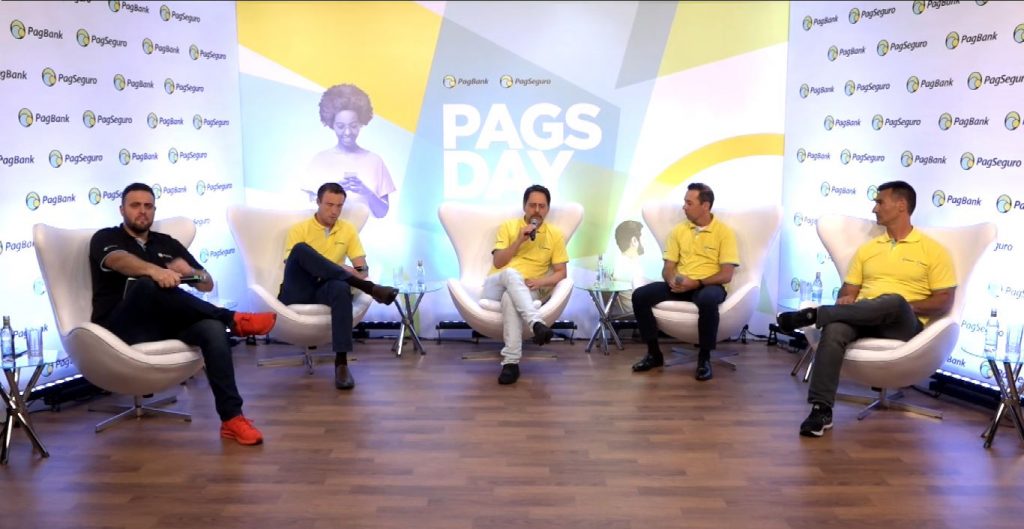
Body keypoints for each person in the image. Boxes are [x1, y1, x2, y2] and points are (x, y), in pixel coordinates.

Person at [90, 183, 277, 446]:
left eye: (148, 206)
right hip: (121, 328)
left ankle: (232, 418)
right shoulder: (106, 238)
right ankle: (232, 319)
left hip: (164, 325)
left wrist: (191, 272)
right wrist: (156, 271)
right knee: (146, 284)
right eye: (135, 205)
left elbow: (206, 283)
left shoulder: (167, 243)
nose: (142, 211)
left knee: (212, 329)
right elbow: (119, 261)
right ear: (122, 210)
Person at [777, 180, 956, 437]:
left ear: (901, 205)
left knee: (894, 301)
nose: (874, 209)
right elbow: (848, 290)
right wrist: (846, 298)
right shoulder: (868, 250)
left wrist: (907, 307)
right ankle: (820, 410)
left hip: (904, 323)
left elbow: (944, 300)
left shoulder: (933, 250)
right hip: (863, 316)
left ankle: (815, 315)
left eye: (880, 202)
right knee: (835, 329)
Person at [279, 182, 399, 390]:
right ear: (318, 202)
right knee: (300, 249)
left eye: (339, 206)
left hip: (325, 289)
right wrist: (337, 267)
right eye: (329, 205)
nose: (334, 211)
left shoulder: (347, 230)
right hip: (299, 289)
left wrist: (352, 270)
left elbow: (363, 270)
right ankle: (372, 289)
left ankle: (341, 364)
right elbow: (293, 265)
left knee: (340, 287)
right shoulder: (299, 229)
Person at [630, 183, 739, 381]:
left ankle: (704, 358)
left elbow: (726, 274)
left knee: (708, 300)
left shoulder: (724, 233)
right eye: (684, 202)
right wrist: (672, 280)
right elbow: (668, 267)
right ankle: (654, 354)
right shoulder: (678, 231)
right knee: (640, 296)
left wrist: (696, 283)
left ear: (705, 206)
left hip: (708, 285)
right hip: (681, 285)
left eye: (689, 203)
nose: (684, 207)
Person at [485, 184, 567, 385]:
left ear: (547, 209)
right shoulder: (508, 227)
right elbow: (498, 263)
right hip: (497, 283)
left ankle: (511, 364)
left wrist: (541, 281)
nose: (536, 211)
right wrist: (519, 241)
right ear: (524, 207)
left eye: (542, 206)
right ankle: (536, 323)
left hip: (528, 290)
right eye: (532, 205)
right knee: (511, 274)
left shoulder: (555, 235)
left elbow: (561, 273)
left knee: (510, 298)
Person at [299, 83, 396, 219]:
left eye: (353, 126)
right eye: (341, 126)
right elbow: (308, 210)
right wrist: (333, 191)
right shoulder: (319, 160)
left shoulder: (375, 161)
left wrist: (367, 192)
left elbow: (382, 213)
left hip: (362, 232)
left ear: (361, 123)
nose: (348, 132)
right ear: (332, 124)